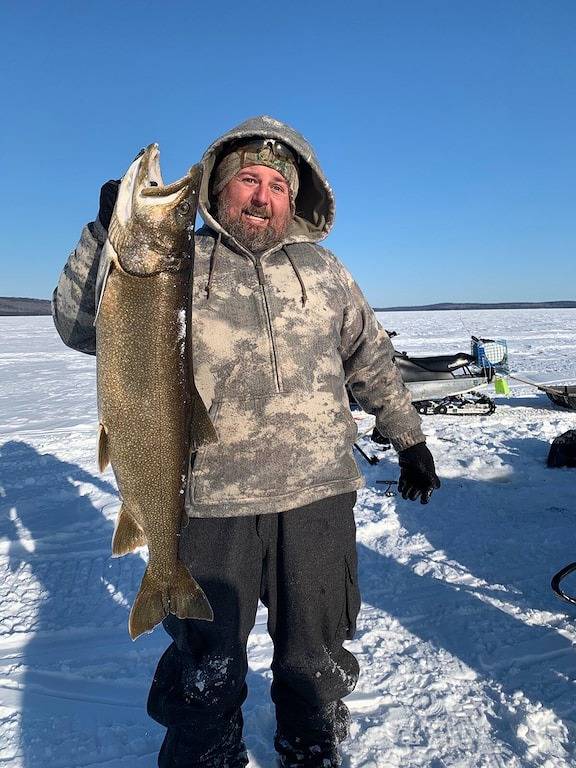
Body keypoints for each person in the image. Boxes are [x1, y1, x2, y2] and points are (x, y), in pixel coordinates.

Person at [52, 115, 440, 768]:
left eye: (277, 186)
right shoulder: (180, 260)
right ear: (219, 192)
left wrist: (408, 437)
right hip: (212, 497)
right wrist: (100, 238)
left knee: (314, 655)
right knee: (207, 660)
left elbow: (370, 357)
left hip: (318, 493)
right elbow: (79, 326)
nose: (262, 196)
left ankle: (308, 746)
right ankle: (207, 755)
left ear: (297, 198)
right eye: (248, 181)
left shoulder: (324, 272)